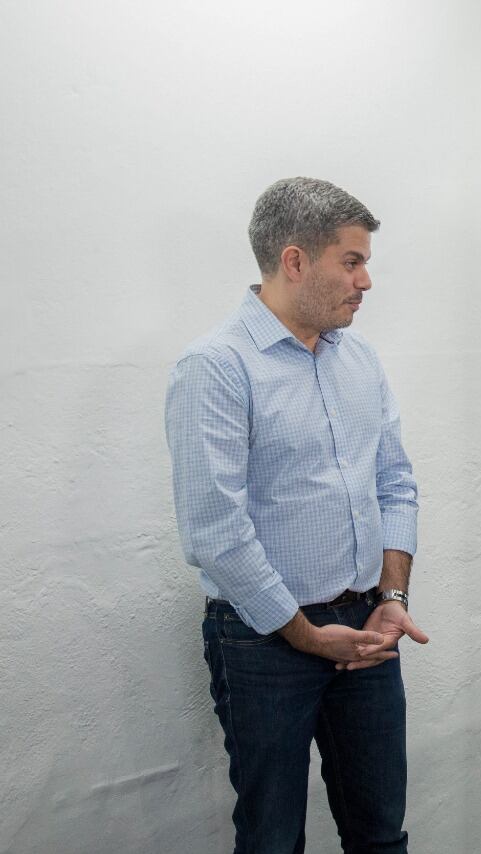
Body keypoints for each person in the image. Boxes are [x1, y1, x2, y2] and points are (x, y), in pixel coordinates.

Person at [165, 177, 428, 853]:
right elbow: (215, 531)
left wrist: (392, 598)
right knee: (273, 839)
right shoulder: (215, 368)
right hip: (262, 639)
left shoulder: (359, 359)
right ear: (293, 262)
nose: (366, 280)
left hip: (367, 625)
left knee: (380, 834)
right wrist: (305, 634)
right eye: (352, 260)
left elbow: (395, 483)